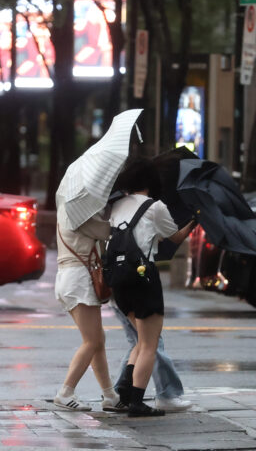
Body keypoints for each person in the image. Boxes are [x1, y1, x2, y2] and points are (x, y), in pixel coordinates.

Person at [109, 158, 196, 417]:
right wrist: (195, 220)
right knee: (150, 342)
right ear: (150, 182)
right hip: (143, 279)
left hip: (119, 282)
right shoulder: (155, 207)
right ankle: (136, 402)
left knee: (140, 339)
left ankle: (125, 389)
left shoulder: (116, 206)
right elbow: (175, 237)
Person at [53, 203, 125, 412]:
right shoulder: (78, 213)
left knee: (97, 339)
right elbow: (108, 231)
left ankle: (110, 395)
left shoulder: (68, 209)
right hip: (78, 279)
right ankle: (65, 392)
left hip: (70, 278)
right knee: (92, 341)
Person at [111, 302, 192, 412]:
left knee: (140, 343)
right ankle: (166, 395)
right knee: (150, 343)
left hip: (122, 296)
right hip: (136, 296)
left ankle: (120, 393)